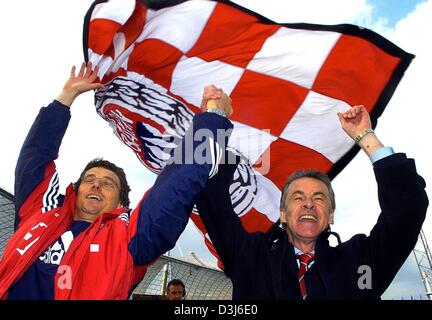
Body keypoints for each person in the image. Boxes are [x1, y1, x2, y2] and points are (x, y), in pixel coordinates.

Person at [0, 63, 234, 300]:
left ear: (120, 204)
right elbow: (34, 158)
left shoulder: (129, 240)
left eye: (108, 183)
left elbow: (177, 186)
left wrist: (214, 120)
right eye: (89, 179)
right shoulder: (40, 213)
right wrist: (66, 97)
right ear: (76, 190)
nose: (96, 185)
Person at [195, 102, 429, 299]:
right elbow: (211, 198)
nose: (308, 203)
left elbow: (408, 208)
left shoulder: (362, 262)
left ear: (331, 215)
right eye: (298, 197)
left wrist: (366, 136)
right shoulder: (250, 256)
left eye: (319, 198)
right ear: (283, 214)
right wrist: (214, 118)